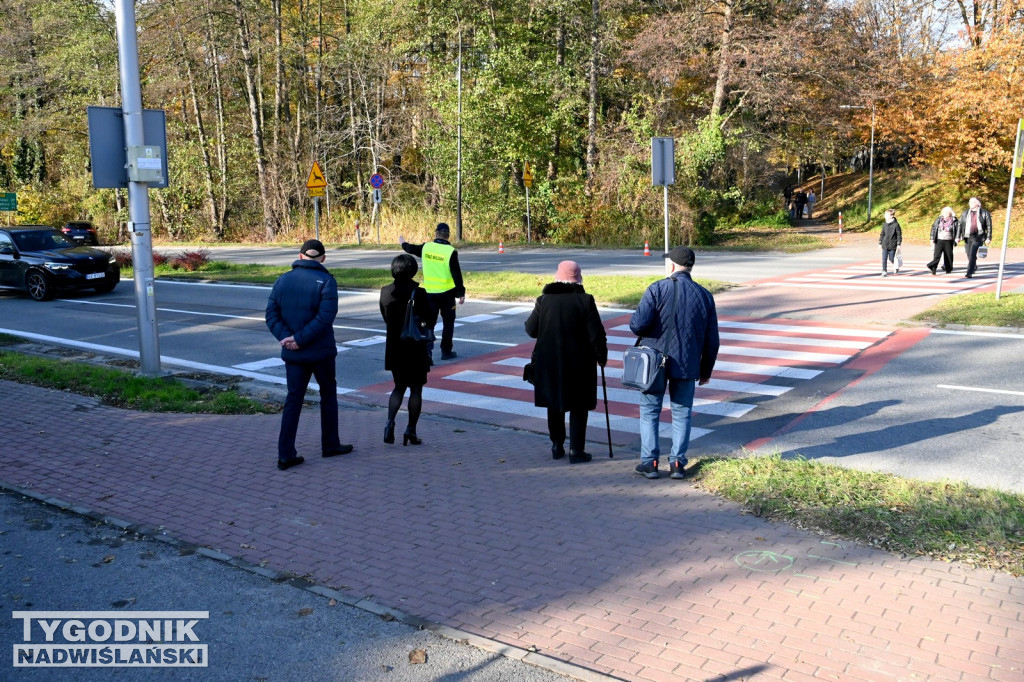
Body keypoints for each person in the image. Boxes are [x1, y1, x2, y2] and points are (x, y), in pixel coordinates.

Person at [629, 246, 719, 480]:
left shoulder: (657, 288)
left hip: (653, 363)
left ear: (671, 265)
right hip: (688, 364)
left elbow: (637, 326)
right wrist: (705, 370)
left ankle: (650, 463)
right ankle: (678, 464)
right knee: (682, 413)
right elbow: (712, 340)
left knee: (649, 411)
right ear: (690, 267)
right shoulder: (704, 295)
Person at [266, 239, 353, 471]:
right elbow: (325, 317)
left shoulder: (282, 280)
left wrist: (288, 339)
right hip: (321, 352)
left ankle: (285, 454)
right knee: (328, 395)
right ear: (323, 258)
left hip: (293, 355)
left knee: (293, 400)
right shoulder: (327, 281)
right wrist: (301, 339)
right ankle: (330, 444)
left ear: (300, 256)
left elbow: (271, 314)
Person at [525, 261, 608, 464]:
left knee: (554, 404)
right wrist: (602, 357)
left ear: (557, 276)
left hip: (550, 363)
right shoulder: (585, 300)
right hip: (579, 363)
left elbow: (531, 330)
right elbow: (596, 334)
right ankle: (576, 450)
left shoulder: (543, 300)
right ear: (578, 278)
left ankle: (556, 446)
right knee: (579, 406)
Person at [379, 254, 433, 446]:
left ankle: (389, 423)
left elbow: (386, 317)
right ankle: (411, 430)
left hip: (394, 347)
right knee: (416, 389)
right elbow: (429, 320)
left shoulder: (385, 291)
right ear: (412, 271)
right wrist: (423, 324)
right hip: (415, 347)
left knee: (398, 387)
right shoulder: (419, 293)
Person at [399, 223, 465, 361]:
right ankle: (446, 351)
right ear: (448, 235)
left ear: (436, 233)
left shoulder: (426, 247)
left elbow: (411, 249)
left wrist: (403, 243)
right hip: (447, 294)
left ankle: (427, 353)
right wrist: (460, 292)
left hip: (429, 293)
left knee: (429, 323)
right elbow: (456, 273)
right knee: (448, 323)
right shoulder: (451, 252)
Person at [957, 197, 993, 278]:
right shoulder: (965, 212)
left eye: (972, 202)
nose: (970, 203)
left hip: (978, 236)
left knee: (972, 254)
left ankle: (969, 272)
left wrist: (988, 238)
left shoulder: (985, 213)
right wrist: (957, 236)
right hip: (967, 236)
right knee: (968, 254)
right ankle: (974, 265)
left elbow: (989, 226)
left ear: (977, 203)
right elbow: (960, 225)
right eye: (969, 202)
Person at [927, 206, 959, 275]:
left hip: (949, 239)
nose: (946, 213)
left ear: (950, 213)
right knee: (937, 255)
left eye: (947, 212)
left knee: (948, 255)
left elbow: (958, 229)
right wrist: (932, 239)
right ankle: (933, 267)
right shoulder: (939, 219)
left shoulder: (954, 220)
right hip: (939, 239)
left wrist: (957, 237)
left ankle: (948, 268)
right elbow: (933, 229)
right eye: (944, 212)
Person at [878, 208, 902, 277]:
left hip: (892, 245)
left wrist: (898, 244)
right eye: (885, 215)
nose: (885, 216)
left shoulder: (896, 225)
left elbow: (899, 235)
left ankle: (896, 265)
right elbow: (882, 234)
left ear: (891, 216)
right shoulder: (885, 224)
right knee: (884, 259)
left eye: (886, 215)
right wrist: (880, 242)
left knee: (891, 258)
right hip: (885, 245)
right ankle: (884, 271)